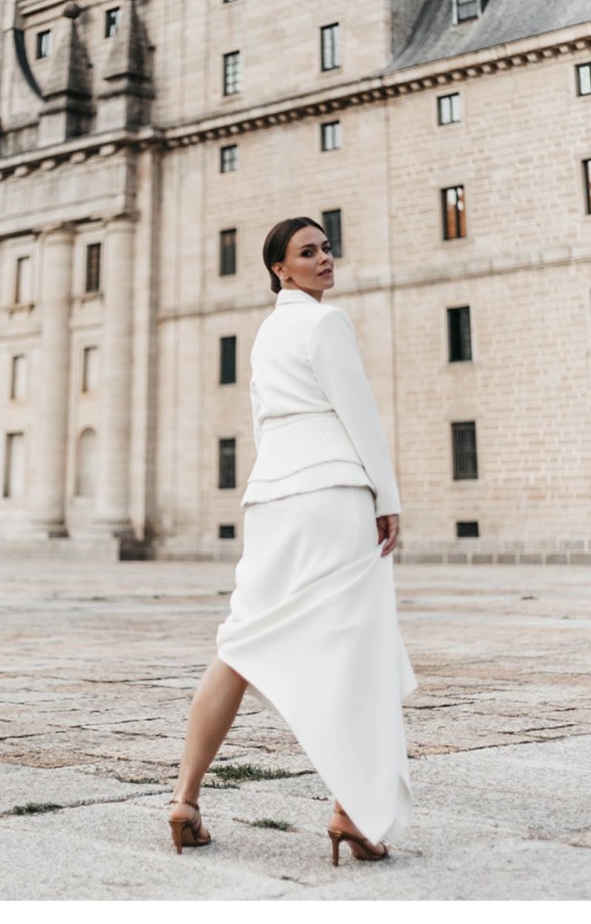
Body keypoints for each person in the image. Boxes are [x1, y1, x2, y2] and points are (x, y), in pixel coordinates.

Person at [168, 216, 417, 865]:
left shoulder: (267, 333)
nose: (324, 258)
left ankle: (185, 800)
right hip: (333, 495)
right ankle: (351, 814)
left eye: (327, 247)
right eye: (308, 252)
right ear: (279, 268)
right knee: (358, 655)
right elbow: (356, 408)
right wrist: (386, 498)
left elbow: (260, 420)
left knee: (241, 645)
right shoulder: (324, 323)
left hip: (271, 499)